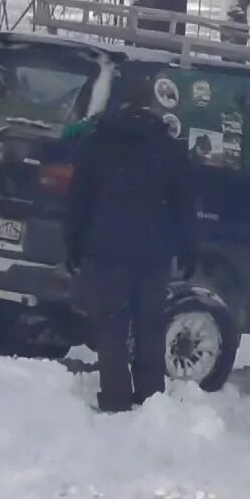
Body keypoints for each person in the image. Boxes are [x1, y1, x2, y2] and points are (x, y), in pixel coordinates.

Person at [66, 94, 195, 413]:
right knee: (150, 325)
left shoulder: (95, 145)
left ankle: (115, 394)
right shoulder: (168, 149)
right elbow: (185, 204)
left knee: (111, 324)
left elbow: (77, 202)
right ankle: (150, 396)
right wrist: (188, 248)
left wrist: (73, 245)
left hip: (105, 250)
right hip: (153, 254)